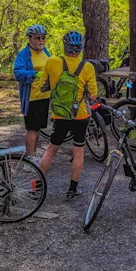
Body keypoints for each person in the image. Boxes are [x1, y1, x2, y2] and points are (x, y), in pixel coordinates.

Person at [38, 31, 97, 200]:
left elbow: (43, 86)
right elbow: (93, 96)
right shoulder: (87, 67)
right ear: (80, 48)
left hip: (60, 114)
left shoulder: (52, 62)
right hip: (80, 116)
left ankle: (38, 187)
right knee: (78, 151)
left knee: (51, 150)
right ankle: (73, 190)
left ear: (65, 46)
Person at [13, 24, 51, 162]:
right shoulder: (24, 54)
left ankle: (33, 154)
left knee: (38, 128)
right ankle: (29, 158)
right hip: (32, 97)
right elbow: (18, 73)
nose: (41, 41)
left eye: (43, 38)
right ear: (30, 39)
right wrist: (34, 74)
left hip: (45, 95)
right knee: (32, 129)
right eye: (38, 38)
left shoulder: (45, 52)